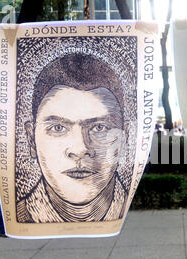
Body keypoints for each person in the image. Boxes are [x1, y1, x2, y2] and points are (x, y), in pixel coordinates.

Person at [16, 54, 129, 223]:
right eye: (58, 128)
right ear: (31, 139)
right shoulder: (19, 218)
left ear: (124, 139)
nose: (80, 149)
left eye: (99, 128)